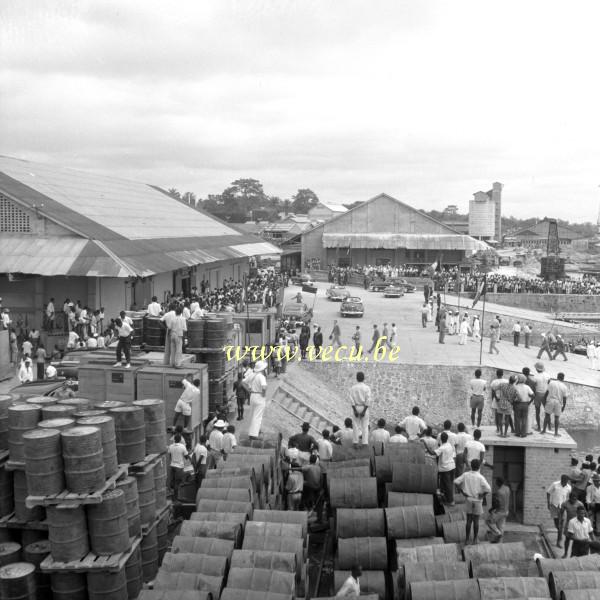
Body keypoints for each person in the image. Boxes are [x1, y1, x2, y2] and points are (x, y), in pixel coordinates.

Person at [454, 458, 491, 545]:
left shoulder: (466, 474)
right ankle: (475, 540)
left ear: (471, 466)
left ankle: (467, 540)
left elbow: (455, 482)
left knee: (469, 520)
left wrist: (462, 492)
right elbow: (488, 489)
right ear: (479, 467)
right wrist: (483, 495)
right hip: (477, 501)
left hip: (468, 499)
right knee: (476, 521)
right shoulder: (480, 477)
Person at [547, 475, 572, 548]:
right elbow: (548, 492)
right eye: (563, 481)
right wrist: (548, 503)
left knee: (560, 526)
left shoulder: (569, 487)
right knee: (557, 525)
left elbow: (569, 497)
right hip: (554, 506)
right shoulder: (555, 484)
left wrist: (568, 506)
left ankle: (559, 541)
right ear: (561, 480)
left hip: (562, 508)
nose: (565, 482)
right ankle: (560, 534)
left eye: (566, 481)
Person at [246, 360, 268, 439]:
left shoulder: (252, 375)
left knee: (252, 414)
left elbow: (243, 382)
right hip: (259, 396)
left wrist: (248, 390)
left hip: (252, 395)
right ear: (262, 369)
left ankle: (252, 431)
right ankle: (254, 434)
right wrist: (264, 394)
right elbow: (264, 387)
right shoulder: (261, 377)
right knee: (258, 415)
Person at [560, 491, 585, 558]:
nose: (574, 499)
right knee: (567, 539)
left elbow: (584, 513)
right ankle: (565, 553)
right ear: (569, 497)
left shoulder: (580, 504)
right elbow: (561, 512)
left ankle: (574, 554)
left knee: (578, 540)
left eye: (575, 498)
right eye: (572, 498)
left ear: (577, 498)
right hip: (569, 524)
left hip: (577, 524)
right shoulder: (565, 503)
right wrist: (561, 520)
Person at [542, 372, 568, 437]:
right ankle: (556, 433)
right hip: (558, 402)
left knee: (547, 416)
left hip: (550, 400)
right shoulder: (564, 387)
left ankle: (544, 430)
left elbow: (546, 393)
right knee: (557, 418)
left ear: (557, 377)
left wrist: (544, 402)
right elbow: (564, 399)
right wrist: (563, 407)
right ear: (563, 378)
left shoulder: (551, 383)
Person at [350, 371, 371, 446]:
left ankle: (355, 442)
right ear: (364, 378)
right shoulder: (367, 388)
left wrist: (355, 410)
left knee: (355, 425)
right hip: (364, 407)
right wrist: (364, 411)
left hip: (356, 406)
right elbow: (368, 400)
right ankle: (364, 443)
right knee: (365, 426)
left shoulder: (353, 388)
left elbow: (351, 399)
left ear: (356, 378)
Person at [486, 477, 510, 542]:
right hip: (506, 511)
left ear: (499, 482)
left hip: (500, 512)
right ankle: (499, 543)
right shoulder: (507, 488)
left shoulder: (499, 492)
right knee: (501, 527)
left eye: (496, 482)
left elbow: (497, 504)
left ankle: (497, 533)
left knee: (488, 521)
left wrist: (491, 510)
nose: (495, 483)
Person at [435, 431, 456, 505]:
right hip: (452, 466)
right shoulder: (449, 445)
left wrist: (425, 444)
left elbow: (433, 453)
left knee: (447, 485)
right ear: (447, 438)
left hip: (445, 469)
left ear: (441, 439)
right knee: (447, 484)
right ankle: (447, 499)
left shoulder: (442, 448)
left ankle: (451, 501)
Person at [167, 433, 188, 501]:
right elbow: (186, 457)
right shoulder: (182, 446)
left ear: (174, 439)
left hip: (172, 465)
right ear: (180, 440)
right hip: (179, 467)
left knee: (172, 481)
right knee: (177, 482)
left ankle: (172, 496)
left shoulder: (170, 446)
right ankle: (176, 498)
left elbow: (170, 455)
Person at [302, 454, 323, 520]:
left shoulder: (308, 467)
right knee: (319, 503)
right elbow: (321, 479)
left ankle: (306, 505)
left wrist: (289, 468)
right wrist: (321, 487)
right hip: (318, 487)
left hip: (310, 486)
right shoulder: (319, 468)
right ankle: (318, 516)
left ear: (309, 460)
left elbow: (299, 468)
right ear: (316, 461)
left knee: (303, 484)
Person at [532, 362, 550, 431]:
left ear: (537, 369)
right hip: (545, 394)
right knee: (547, 411)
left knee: (537, 411)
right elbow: (549, 383)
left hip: (538, 394)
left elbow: (534, 386)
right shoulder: (547, 375)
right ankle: (549, 427)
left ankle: (539, 427)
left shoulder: (535, 376)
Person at [490, 368, 508, 434]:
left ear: (496, 374)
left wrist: (494, 399)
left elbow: (493, 392)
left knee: (497, 415)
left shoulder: (494, 382)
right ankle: (504, 430)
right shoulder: (506, 381)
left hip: (496, 399)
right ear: (502, 374)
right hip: (504, 399)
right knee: (504, 414)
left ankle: (498, 428)